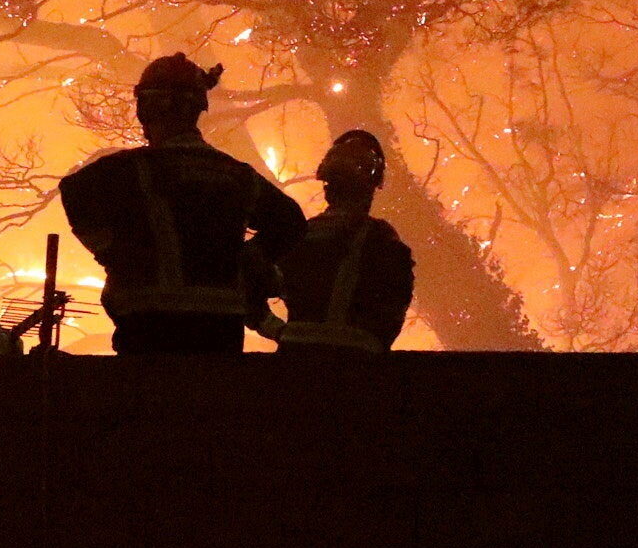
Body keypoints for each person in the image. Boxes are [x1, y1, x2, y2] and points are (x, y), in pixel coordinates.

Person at [61, 54, 308, 354]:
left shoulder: (127, 170)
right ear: (197, 109)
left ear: (148, 108)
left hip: (147, 329)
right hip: (220, 331)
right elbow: (291, 221)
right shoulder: (235, 176)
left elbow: (73, 191)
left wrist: (110, 251)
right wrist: (248, 259)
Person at [258, 129, 417, 353]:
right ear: (370, 187)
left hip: (293, 361)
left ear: (327, 187)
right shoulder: (382, 239)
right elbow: (395, 305)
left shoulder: (298, 236)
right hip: (355, 366)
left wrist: (277, 330)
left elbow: (250, 284)